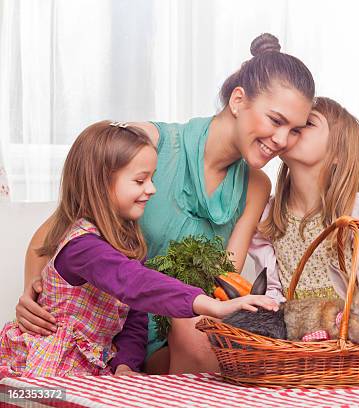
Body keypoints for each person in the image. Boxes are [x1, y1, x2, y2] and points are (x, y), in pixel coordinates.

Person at [14, 33, 315, 374]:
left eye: (295, 130)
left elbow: (223, 280)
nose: (281, 140)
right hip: (109, 327)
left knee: (206, 331)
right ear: (238, 100)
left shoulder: (256, 185)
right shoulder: (147, 144)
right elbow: (57, 234)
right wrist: (34, 295)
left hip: (178, 324)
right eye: (276, 120)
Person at [0, 122, 277, 377]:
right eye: (140, 180)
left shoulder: (127, 244)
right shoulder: (82, 247)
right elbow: (136, 285)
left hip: (90, 369)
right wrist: (215, 306)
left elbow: (134, 317)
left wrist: (125, 365)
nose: (152, 188)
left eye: (152, 178)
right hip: (46, 368)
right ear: (101, 182)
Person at [249, 97, 359, 308]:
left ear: (337, 153)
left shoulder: (353, 207)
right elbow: (272, 291)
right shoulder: (268, 215)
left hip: (351, 331)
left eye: (307, 122)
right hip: (300, 334)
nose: (293, 127)